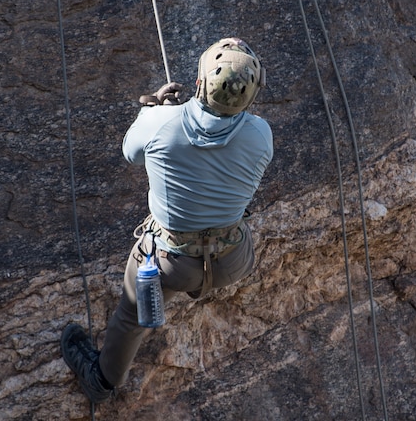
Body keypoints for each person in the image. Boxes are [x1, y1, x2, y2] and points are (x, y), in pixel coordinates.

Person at [60, 37, 273, 403]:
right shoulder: (261, 136)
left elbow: (131, 152)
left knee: (131, 315)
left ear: (198, 83)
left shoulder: (161, 121)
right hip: (233, 261)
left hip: (172, 265)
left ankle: (102, 380)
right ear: (251, 97)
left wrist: (158, 109)